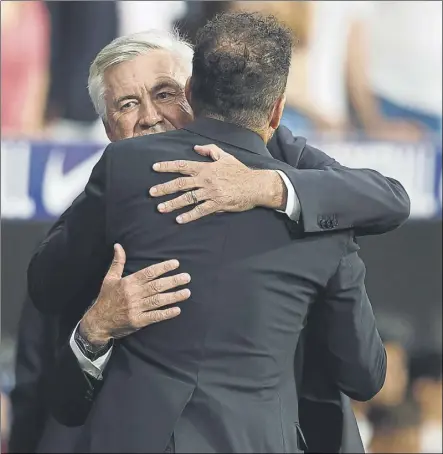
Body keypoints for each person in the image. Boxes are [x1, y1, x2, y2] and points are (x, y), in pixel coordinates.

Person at [19, 26, 409, 453]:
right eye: (128, 104)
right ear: (108, 126)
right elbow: (45, 303)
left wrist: (266, 188)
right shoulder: (109, 190)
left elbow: (390, 198)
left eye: (165, 93)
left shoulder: (283, 156)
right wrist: (96, 327)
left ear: (195, 91)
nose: (150, 116)